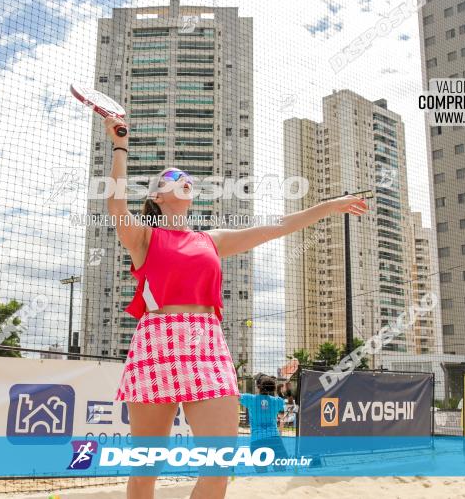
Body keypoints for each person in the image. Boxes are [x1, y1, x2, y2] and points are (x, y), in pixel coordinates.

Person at [104, 114, 368, 499]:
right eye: (172, 177)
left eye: (187, 178)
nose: (183, 179)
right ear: (158, 196)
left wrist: (328, 206)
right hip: (157, 345)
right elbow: (115, 205)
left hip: (207, 345)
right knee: (147, 467)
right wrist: (120, 145)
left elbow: (277, 226)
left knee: (220, 463)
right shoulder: (144, 237)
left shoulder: (211, 240)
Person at [240, 375, 289, 472]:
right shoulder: (277, 401)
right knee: (280, 473)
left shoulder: (250, 399)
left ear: (258, 386)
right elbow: (281, 412)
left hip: (257, 441)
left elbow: (233, 395)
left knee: (261, 475)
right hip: (274, 440)